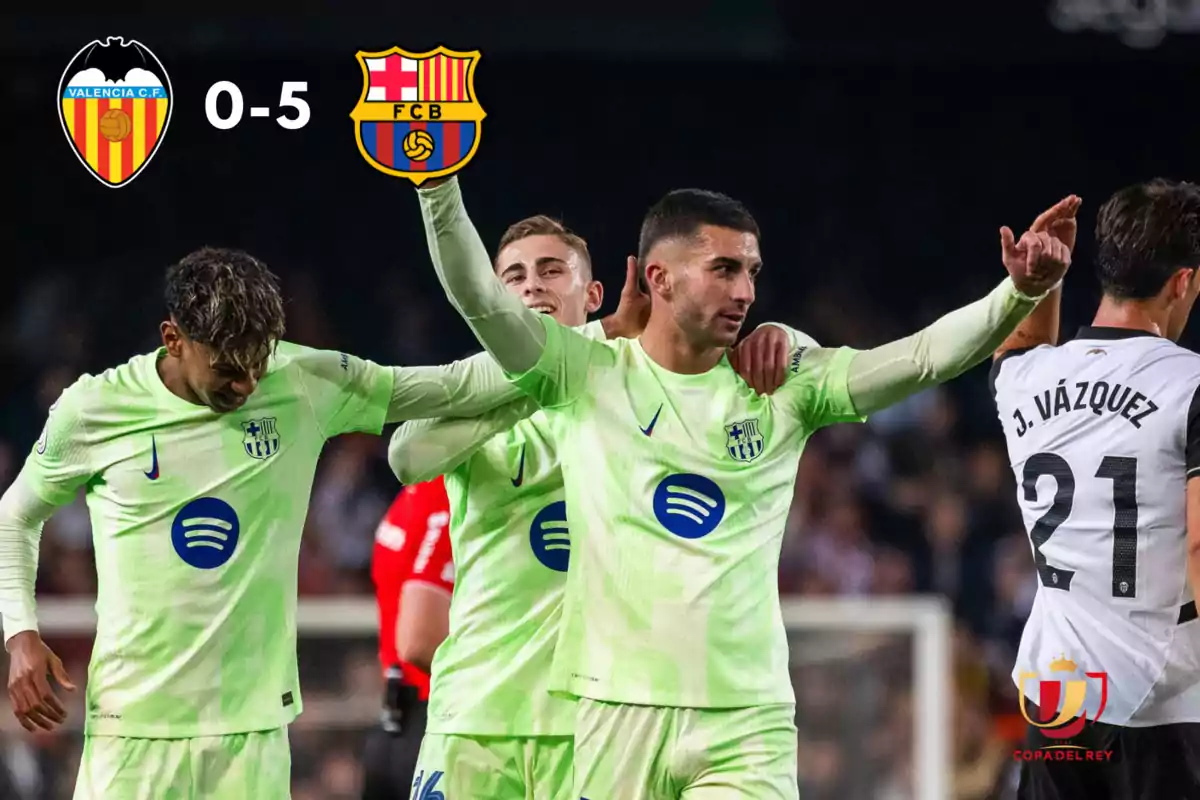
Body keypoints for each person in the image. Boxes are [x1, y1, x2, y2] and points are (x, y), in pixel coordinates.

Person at [415, 175, 1072, 798]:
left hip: (745, 717)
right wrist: (436, 184)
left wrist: (1015, 293)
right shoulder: (586, 373)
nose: (746, 291)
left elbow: (922, 355)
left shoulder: (785, 380)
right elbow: (479, 298)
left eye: (752, 272)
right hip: (614, 711)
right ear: (659, 277)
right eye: (724, 269)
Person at [0, 246, 637, 798]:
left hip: (252, 735)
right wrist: (20, 633)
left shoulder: (302, 381)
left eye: (258, 361)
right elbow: (15, 516)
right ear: (174, 339)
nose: (248, 383)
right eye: (227, 367)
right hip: (131, 730)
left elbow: (457, 386)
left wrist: (602, 333)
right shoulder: (95, 410)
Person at [389, 213, 796, 799]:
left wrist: (777, 333)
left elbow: (714, 363)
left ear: (595, 292)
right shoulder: (479, 405)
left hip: (592, 728)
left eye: (552, 271)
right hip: (475, 717)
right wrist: (558, 362)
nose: (532, 286)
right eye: (514, 277)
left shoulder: (636, 395)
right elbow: (407, 454)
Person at [989, 179, 1200, 799]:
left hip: (1058, 696)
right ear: (1182, 281)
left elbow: (1018, 342)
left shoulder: (1022, 380)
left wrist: (1040, 279)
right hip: (1164, 702)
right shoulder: (1190, 386)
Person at [362, 478, 453, 800]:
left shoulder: (412, 490)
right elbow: (418, 641)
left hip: (395, 721)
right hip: (433, 720)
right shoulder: (448, 496)